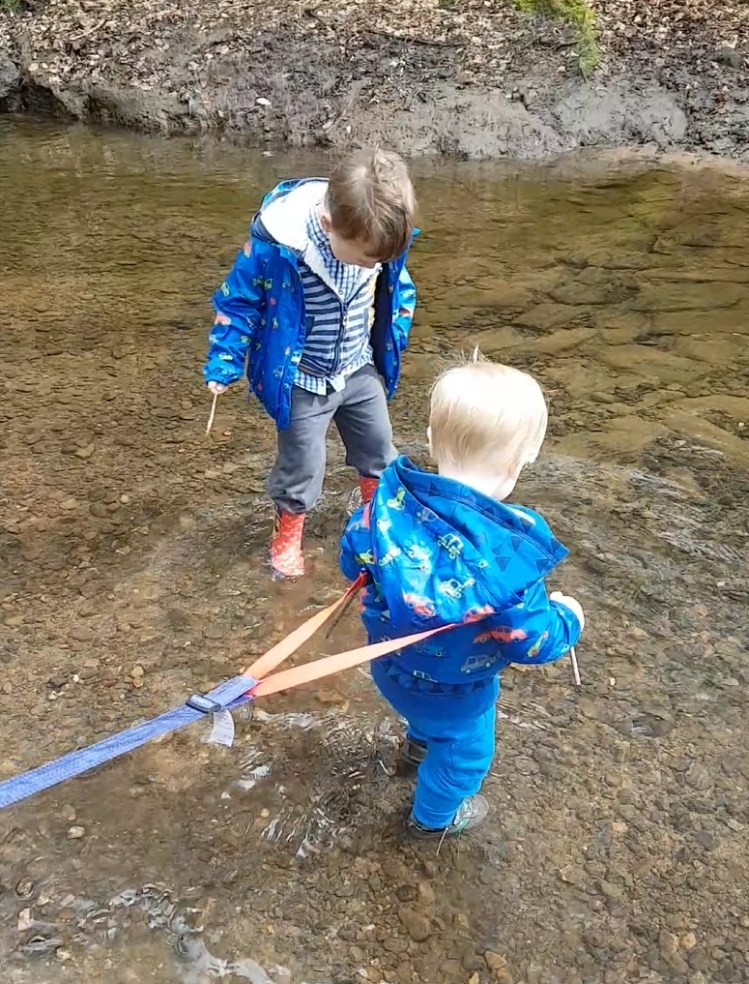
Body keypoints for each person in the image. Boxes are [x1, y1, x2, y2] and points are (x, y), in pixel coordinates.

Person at [339, 358, 584, 839]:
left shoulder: (385, 512)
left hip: (390, 667)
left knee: (423, 714)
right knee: (464, 760)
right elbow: (531, 643)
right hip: (459, 692)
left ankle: (413, 750)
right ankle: (431, 822)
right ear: (519, 463)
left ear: (432, 439)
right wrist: (568, 618)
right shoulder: (509, 555)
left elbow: (354, 562)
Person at [203, 149, 417, 579]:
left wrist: (398, 327)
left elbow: (399, 288)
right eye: (366, 257)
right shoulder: (276, 249)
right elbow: (239, 301)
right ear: (327, 225)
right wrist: (224, 360)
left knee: (379, 449)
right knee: (302, 464)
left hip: (358, 366)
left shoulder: (377, 237)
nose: (374, 265)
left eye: (380, 259)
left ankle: (377, 523)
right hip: (302, 378)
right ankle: (287, 537)